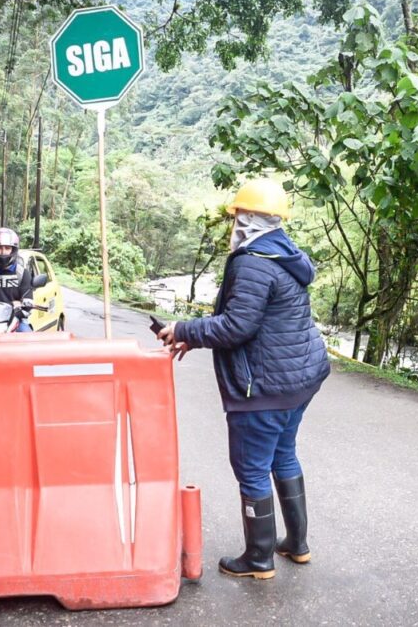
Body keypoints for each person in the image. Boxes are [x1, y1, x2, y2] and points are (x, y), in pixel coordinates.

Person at [157, 178, 330, 580]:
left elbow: (237, 327)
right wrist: (190, 336)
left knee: (252, 467)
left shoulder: (252, 260)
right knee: (282, 454)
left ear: (248, 219)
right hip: (300, 379)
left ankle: (258, 558)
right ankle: (296, 545)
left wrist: (183, 329)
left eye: (237, 215)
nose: (234, 223)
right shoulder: (286, 254)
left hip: (266, 387)